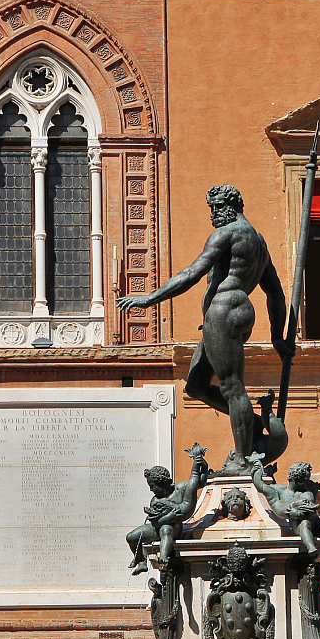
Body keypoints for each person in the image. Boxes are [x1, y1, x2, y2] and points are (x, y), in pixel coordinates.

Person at [117, 185, 292, 465]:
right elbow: (275, 294)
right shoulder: (258, 241)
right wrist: (277, 336)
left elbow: (192, 272)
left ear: (232, 205)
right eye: (210, 208)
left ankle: (243, 458)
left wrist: (150, 299)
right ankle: (253, 421)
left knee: (232, 387)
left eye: (217, 207)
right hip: (237, 311)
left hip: (224, 310)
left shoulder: (226, 234)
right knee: (196, 386)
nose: (212, 215)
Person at [250, 456, 320, 570]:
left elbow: (309, 512)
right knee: (305, 525)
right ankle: (311, 548)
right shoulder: (279, 490)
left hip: (315, 521)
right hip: (298, 523)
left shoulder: (307, 493)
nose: (307, 481)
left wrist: (297, 511)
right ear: (296, 479)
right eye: (305, 479)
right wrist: (256, 468)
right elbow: (261, 486)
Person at [127, 451, 209, 574]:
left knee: (166, 530)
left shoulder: (181, 489)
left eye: (152, 486)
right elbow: (155, 523)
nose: (150, 489)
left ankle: (163, 558)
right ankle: (141, 561)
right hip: (159, 526)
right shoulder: (155, 500)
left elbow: (199, 482)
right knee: (131, 537)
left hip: (174, 528)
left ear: (161, 483)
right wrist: (169, 517)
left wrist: (204, 467)